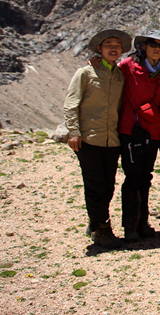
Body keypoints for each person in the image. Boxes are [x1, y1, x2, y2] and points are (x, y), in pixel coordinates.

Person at [64, 28, 132, 249]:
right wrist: (73, 132)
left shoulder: (120, 74)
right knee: (94, 185)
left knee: (108, 186)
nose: (113, 48)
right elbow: (71, 103)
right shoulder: (85, 73)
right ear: (99, 49)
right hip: (89, 139)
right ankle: (102, 230)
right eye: (108, 45)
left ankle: (95, 221)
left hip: (112, 140)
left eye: (117, 45)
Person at [117, 30, 160, 242]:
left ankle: (142, 222)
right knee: (133, 177)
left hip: (152, 133)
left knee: (146, 176)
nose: (157, 48)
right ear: (143, 46)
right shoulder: (127, 67)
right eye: (153, 44)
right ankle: (130, 226)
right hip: (130, 130)